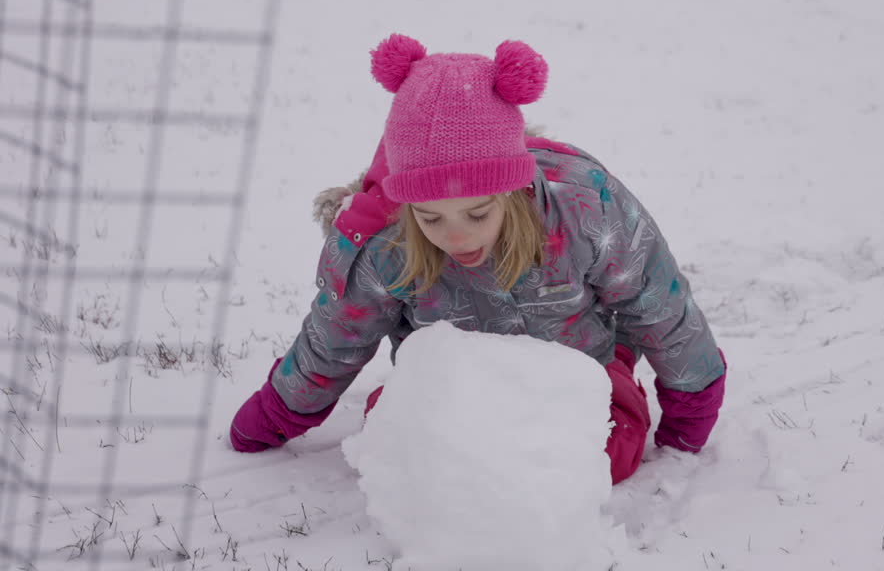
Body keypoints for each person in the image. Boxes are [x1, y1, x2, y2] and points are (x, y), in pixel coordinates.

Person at [229, 33, 727, 484]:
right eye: (431, 218)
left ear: (511, 191)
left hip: (576, 384)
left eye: (477, 213)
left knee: (596, 458)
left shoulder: (582, 209)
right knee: (413, 459)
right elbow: (335, 339)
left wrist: (690, 415)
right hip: (450, 397)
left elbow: (660, 306)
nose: (456, 235)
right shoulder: (384, 243)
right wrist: (272, 417)